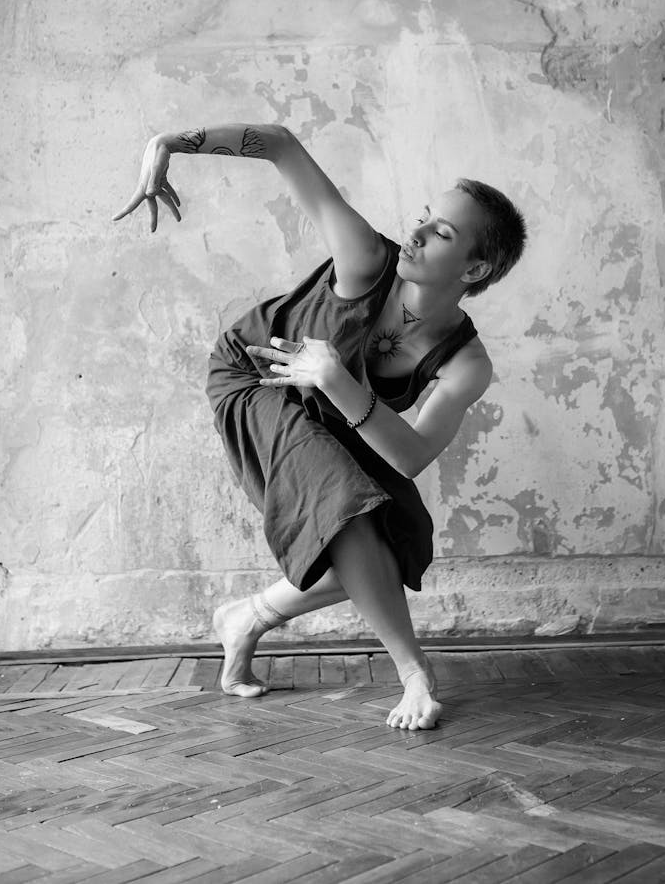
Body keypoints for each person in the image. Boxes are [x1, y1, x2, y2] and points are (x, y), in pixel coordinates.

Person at [114, 123, 526, 730]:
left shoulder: (466, 365)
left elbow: (409, 456)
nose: (412, 233)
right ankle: (415, 673)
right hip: (254, 377)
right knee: (347, 507)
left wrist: (335, 379)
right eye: (422, 216)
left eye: (439, 233)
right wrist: (168, 144)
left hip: (327, 405)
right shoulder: (366, 259)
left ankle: (248, 617)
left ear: (475, 269)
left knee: (395, 535)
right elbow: (280, 143)